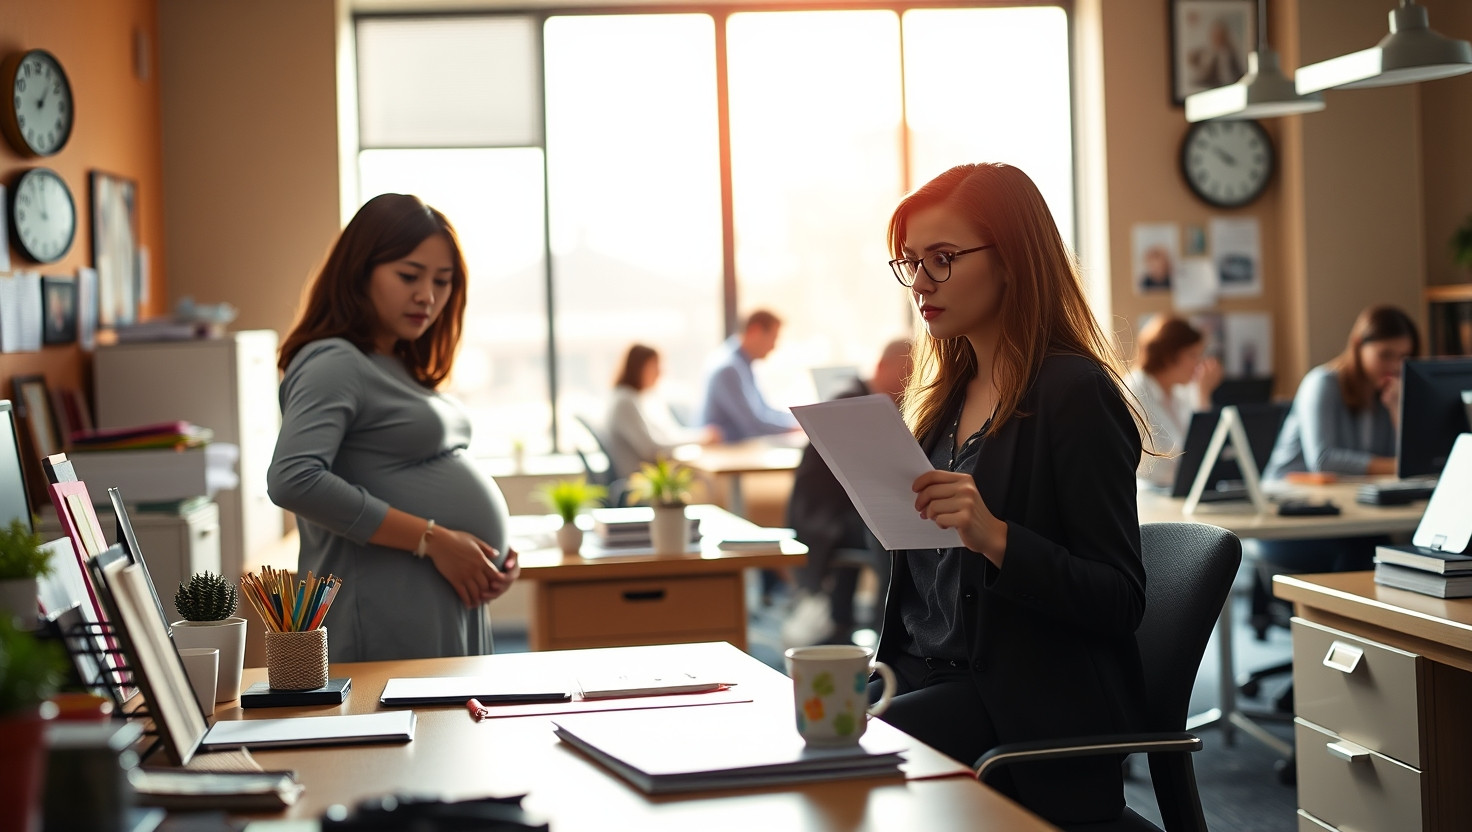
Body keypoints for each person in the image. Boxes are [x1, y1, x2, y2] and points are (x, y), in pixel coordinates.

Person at [874, 163, 1147, 826]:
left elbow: (1119, 598)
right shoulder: (941, 401)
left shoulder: (1074, 394)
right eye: (910, 263)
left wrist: (995, 537)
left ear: (1012, 261)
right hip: (922, 676)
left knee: (845, 766)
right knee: (803, 737)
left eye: (942, 259)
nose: (921, 283)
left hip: (1020, 704)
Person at [267, 193, 519, 663]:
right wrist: (434, 540)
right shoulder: (334, 363)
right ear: (360, 272)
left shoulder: (397, 363)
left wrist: (487, 560)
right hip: (386, 619)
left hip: (439, 610)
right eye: (409, 276)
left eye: (442, 281)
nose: (427, 296)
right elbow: (293, 479)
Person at [1257, 305, 1420, 571]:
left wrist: (1396, 409)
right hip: (1287, 517)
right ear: (1358, 345)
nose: (1394, 366)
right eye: (1385, 355)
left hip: (1349, 514)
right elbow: (1324, 461)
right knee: (1361, 555)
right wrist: (1398, 466)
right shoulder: (1322, 383)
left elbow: (1404, 461)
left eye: (1403, 357)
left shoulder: (1387, 394)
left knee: (1391, 550)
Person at [782, 338, 911, 648]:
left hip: (849, 509)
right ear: (881, 366)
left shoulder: (875, 403)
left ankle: (887, 624)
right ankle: (887, 630)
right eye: (904, 373)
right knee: (891, 535)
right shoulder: (852, 404)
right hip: (825, 515)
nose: (908, 383)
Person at [1125, 315, 1222, 489]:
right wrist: (1202, 394)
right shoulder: (1135, 391)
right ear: (1169, 356)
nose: (1199, 363)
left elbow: (1207, 450)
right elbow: (1172, 462)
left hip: (1179, 489)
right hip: (1151, 492)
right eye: (1193, 355)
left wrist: (1203, 394)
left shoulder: (1180, 390)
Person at [603, 344, 720, 479]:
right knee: (706, 479)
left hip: (652, 474)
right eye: (655, 366)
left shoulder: (641, 399)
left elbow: (667, 436)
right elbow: (652, 450)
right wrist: (699, 439)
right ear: (638, 367)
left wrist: (700, 437)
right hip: (641, 480)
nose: (660, 373)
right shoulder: (625, 402)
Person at [697, 309, 800, 442]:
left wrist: (799, 421)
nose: (774, 347)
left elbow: (765, 410)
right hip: (724, 449)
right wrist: (794, 428)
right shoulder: (729, 369)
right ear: (755, 331)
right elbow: (754, 425)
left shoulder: (743, 365)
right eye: (773, 338)